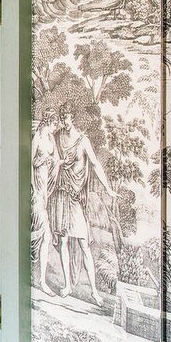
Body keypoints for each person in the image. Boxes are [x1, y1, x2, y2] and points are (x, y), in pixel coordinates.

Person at [36, 117, 111, 305]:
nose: (65, 123)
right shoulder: (58, 137)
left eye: (68, 119)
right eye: (63, 119)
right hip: (61, 195)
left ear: (73, 119)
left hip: (75, 197)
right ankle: (68, 285)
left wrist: (108, 189)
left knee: (84, 244)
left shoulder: (83, 141)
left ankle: (94, 291)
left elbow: (94, 164)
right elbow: (49, 159)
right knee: (63, 240)